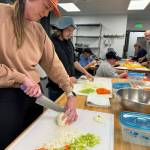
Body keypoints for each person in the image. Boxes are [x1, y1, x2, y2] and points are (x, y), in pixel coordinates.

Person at [0, 0, 77, 149]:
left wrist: (69, 92)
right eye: (46, 7)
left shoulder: (38, 30)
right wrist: (21, 78)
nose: (46, 13)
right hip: (5, 95)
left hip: (34, 95)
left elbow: (53, 63)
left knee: (33, 139)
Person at [46, 16, 93, 101]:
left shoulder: (69, 42)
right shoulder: (50, 42)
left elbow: (74, 62)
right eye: (68, 30)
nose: (71, 33)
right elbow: (49, 67)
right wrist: (66, 78)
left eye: (72, 31)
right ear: (59, 30)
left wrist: (86, 73)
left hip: (70, 84)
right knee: (57, 112)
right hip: (57, 87)